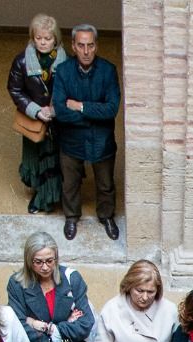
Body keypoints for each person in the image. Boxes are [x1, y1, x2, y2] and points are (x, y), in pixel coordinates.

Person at [51, 23, 121, 241]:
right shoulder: (63, 72)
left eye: (90, 45)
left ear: (96, 46)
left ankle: (107, 216)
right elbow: (61, 112)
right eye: (81, 45)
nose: (86, 51)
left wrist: (81, 107)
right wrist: (94, 115)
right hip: (71, 140)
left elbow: (112, 109)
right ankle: (71, 217)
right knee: (70, 182)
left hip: (102, 141)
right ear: (73, 46)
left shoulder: (108, 71)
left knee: (106, 183)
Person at [7, 14, 65, 215]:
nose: (42, 42)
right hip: (35, 121)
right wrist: (35, 110)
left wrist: (55, 109)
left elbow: (72, 89)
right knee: (36, 159)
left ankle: (52, 196)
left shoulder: (66, 63)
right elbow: (15, 90)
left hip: (58, 122)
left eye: (47, 38)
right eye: (38, 38)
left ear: (55, 39)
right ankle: (41, 196)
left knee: (55, 160)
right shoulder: (22, 61)